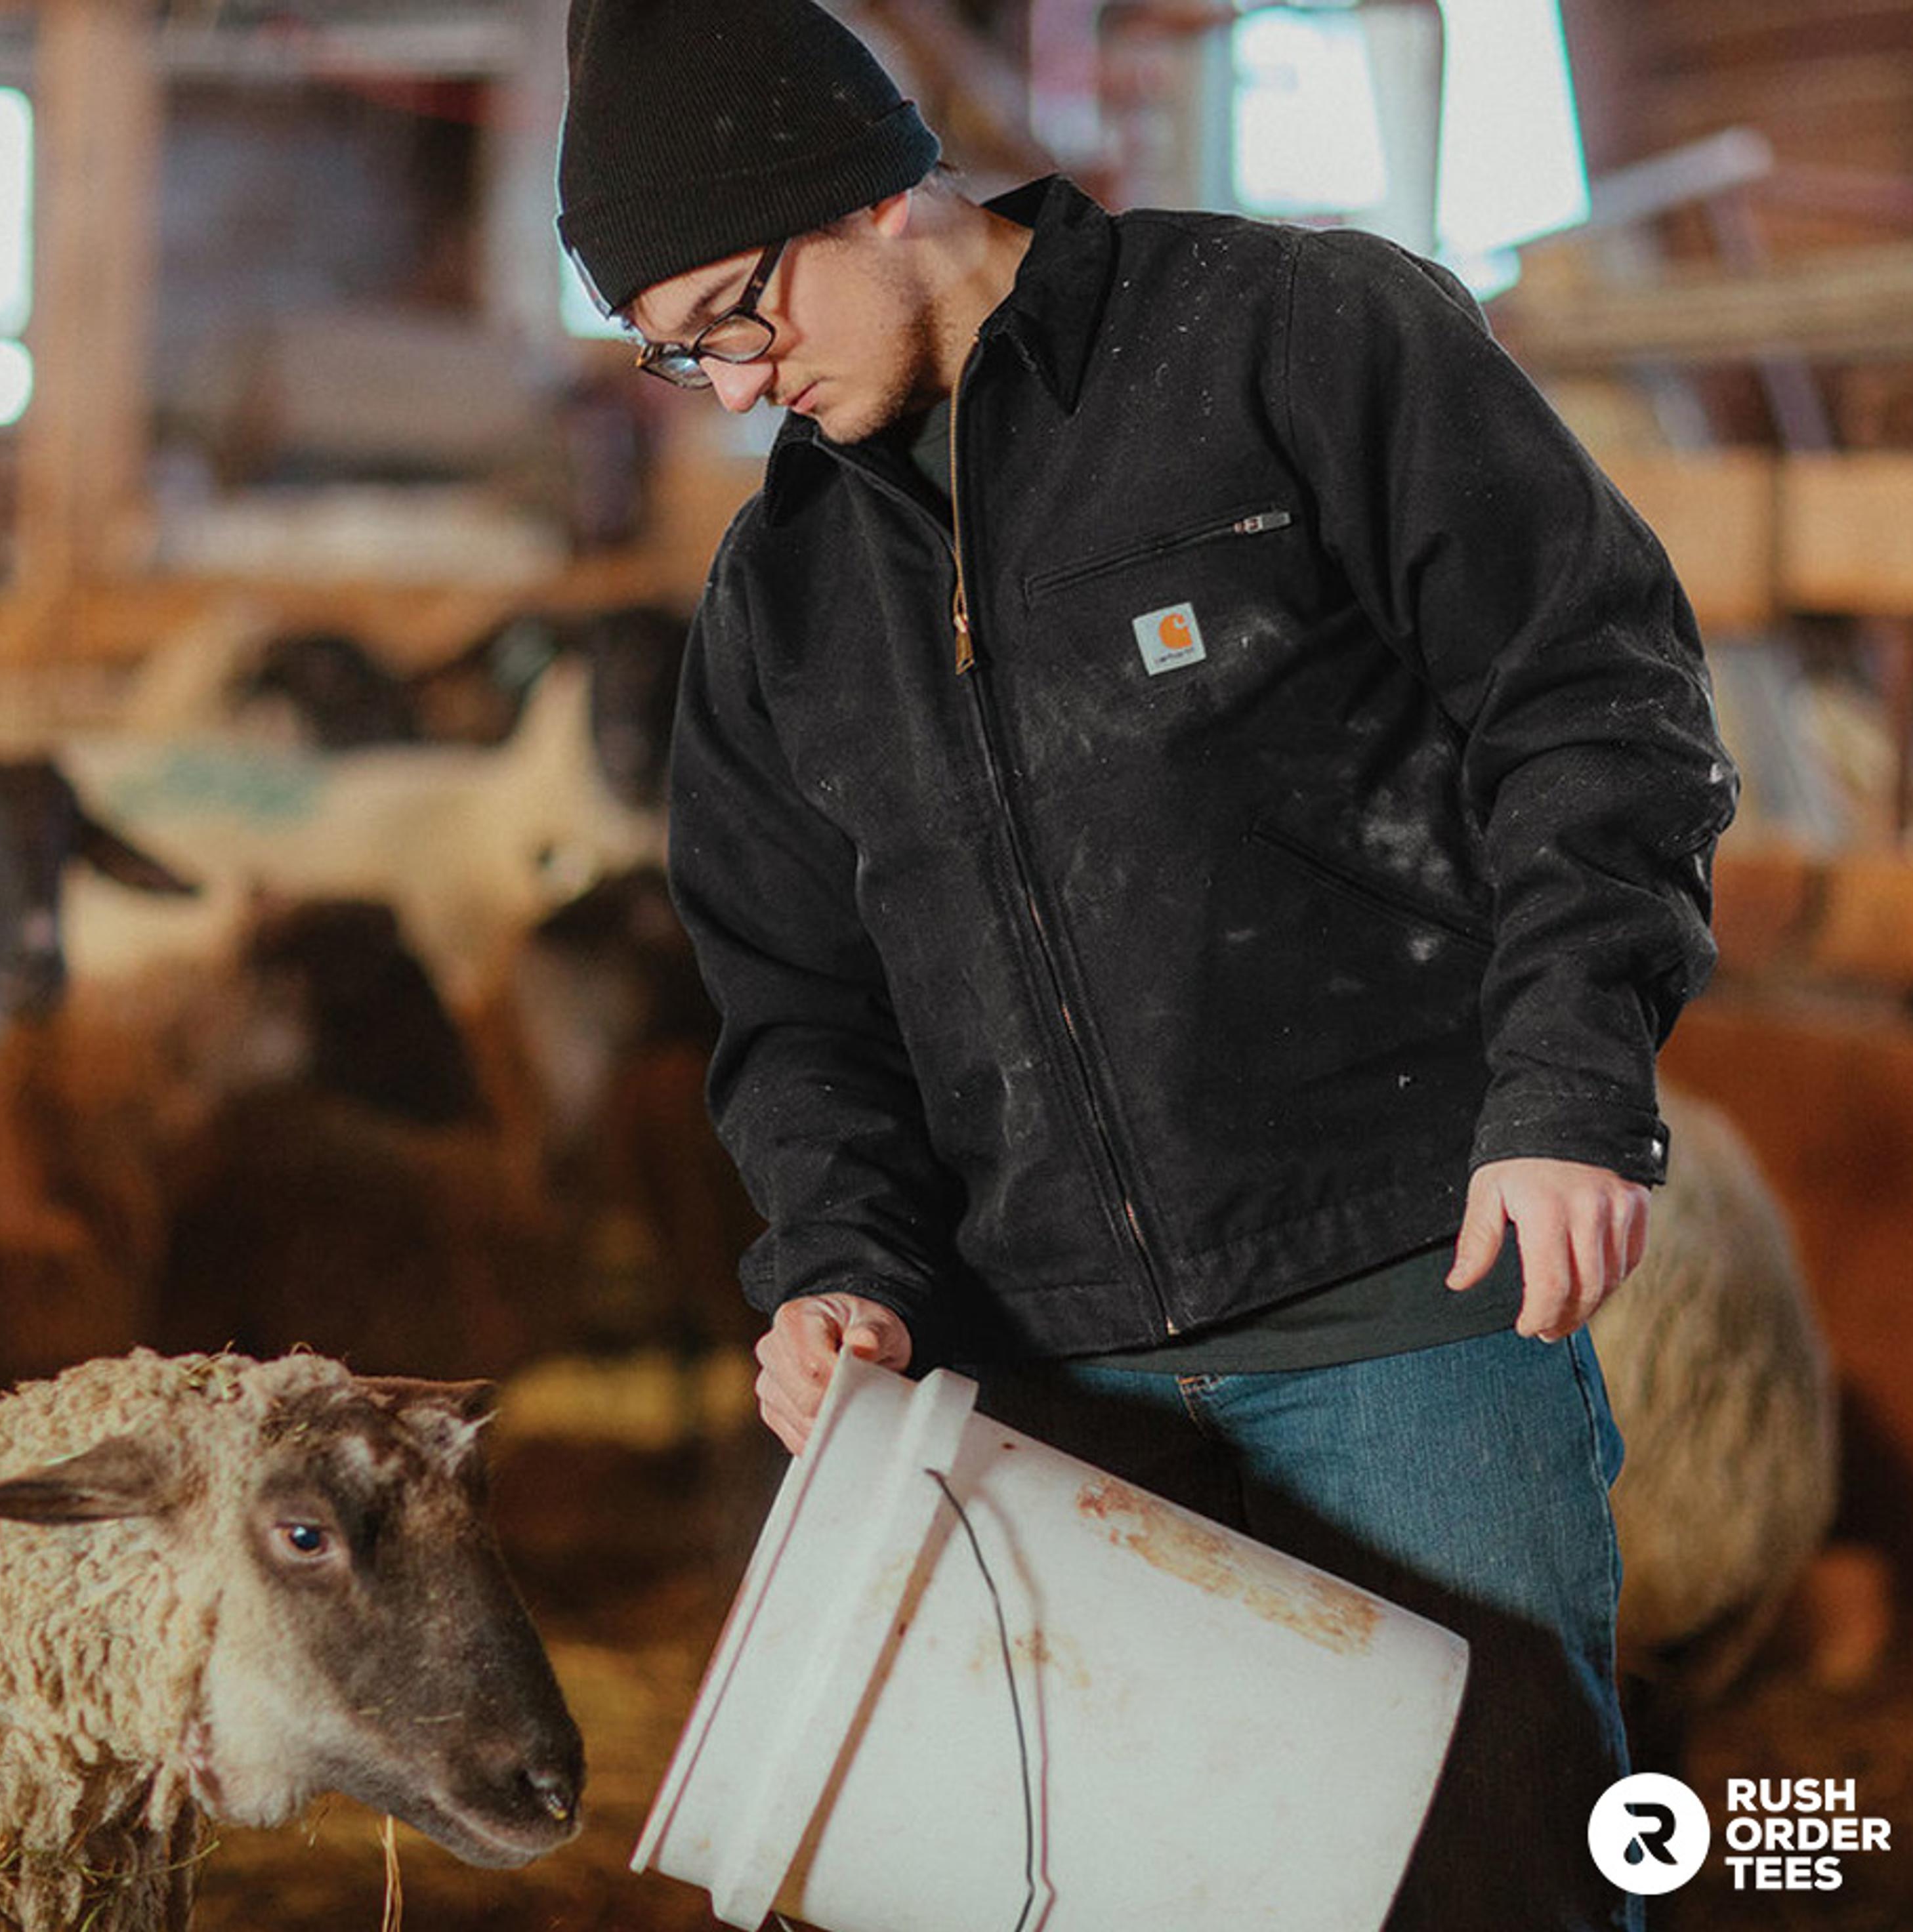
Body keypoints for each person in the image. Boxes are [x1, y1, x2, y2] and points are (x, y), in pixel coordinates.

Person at [557, 2, 1735, 1927]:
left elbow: (1590, 702)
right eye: (681, 355)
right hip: (1047, 1398)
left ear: (869, 191)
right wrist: (844, 1266)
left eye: (734, 319)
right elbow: (797, 1010)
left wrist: (1569, 1086)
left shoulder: (1294, 341)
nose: (733, 388)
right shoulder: (784, 598)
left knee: (1493, 1874)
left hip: (1401, 1318)